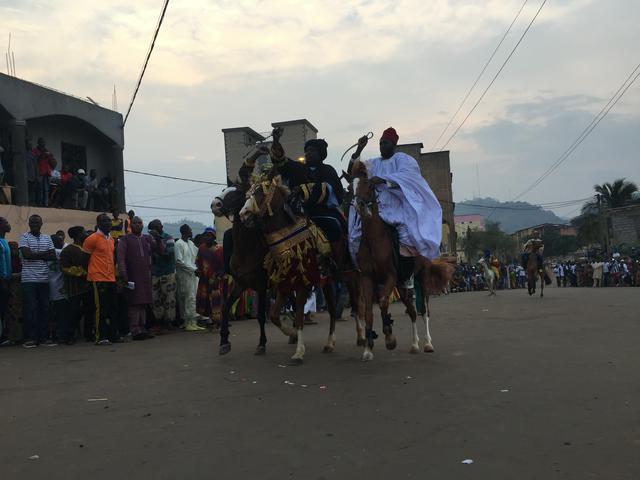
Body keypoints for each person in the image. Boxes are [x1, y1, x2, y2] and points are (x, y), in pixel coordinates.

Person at [348, 127, 442, 278]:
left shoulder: (403, 159)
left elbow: (409, 178)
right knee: (355, 233)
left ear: (394, 145)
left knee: (408, 235)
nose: (382, 146)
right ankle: (359, 270)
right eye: (380, 143)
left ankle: (407, 275)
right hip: (375, 205)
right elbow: (353, 172)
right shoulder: (373, 162)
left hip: (397, 204)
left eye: (385, 143)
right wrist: (359, 149)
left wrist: (384, 179)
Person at [18, 215, 56, 347]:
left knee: (44, 309)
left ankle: (43, 338)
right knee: (30, 309)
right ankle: (30, 338)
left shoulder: (47, 238)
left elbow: (52, 257)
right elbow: (26, 255)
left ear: (41, 224)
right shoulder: (24, 237)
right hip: (29, 279)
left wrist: (35, 255)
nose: (34, 224)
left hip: (44, 279)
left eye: (37, 222)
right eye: (32, 222)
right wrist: (43, 255)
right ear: (29, 224)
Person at [83, 213, 121, 345]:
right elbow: (85, 260)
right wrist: (90, 275)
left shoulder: (111, 239)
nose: (108, 223)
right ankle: (101, 336)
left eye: (109, 221)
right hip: (97, 278)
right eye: (104, 221)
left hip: (110, 278)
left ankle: (113, 335)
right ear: (98, 224)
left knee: (113, 308)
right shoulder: (92, 239)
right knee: (101, 309)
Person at [117, 216, 156, 340]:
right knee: (134, 303)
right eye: (135, 223)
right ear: (131, 225)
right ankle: (135, 329)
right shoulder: (125, 239)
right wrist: (123, 273)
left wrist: (158, 239)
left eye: (140, 223)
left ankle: (143, 328)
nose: (138, 225)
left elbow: (160, 250)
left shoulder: (146, 238)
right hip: (132, 276)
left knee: (144, 303)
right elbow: (121, 257)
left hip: (146, 276)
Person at [59, 226, 91, 343]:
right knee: (74, 311)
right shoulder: (68, 250)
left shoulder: (87, 248)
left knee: (89, 310)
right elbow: (64, 267)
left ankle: (89, 334)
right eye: (83, 232)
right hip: (74, 287)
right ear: (78, 235)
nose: (86, 234)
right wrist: (82, 272)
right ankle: (69, 336)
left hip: (88, 286)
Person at [175, 224, 205, 332]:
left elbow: (197, 253)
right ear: (185, 231)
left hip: (193, 275)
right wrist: (193, 269)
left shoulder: (190, 243)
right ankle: (187, 322)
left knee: (193, 298)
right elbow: (179, 261)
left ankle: (193, 322)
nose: (192, 232)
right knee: (187, 298)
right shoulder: (178, 244)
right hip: (184, 275)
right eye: (190, 230)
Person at [148, 219, 177, 330]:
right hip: (155, 273)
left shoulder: (168, 238)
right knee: (155, 298)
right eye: (152, 228)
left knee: (169, 298)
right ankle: (158, 320)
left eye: (156, 227)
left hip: (168, 272)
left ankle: (168, 321)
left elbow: (169, 255)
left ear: (161, 226)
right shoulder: (149, 239)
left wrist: (158, 244)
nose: (154, 230)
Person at [196, 227, 225, 327]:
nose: (206, 237)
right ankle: (209, 319)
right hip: (204, 277)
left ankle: (218, 320)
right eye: (205, 235)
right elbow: (198, 261)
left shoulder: (219, 249)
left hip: (215, 278)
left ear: (213, 237)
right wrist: (198, 271)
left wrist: (218, 278)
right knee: (205, 300)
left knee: (215, 299)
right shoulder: (201, 248)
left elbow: (222, 266)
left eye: (209, 235)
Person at [48, 234, 69, 342]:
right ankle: (61, 334)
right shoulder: (60, 253)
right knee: (62, 314)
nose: (62, 243)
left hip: (49, 287)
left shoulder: (46, 253)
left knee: (51, 314)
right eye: (60, 241)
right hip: (60, 289)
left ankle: (52, 335)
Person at [0, 218, 11, 343]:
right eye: (6, 223)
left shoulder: (4, 241)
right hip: (1, 281)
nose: (8, 225)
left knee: (3, 310)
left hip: (6, 280)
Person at [24, 139, 39, 205]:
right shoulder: (23, 153)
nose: (30, 145)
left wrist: (37, 176)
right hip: (25, 176)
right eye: (28, 144)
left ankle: (32, 203)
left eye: (30, 144)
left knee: (32, 191)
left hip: (32, 176)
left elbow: (36, 166)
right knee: (26, 191)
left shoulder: (33, 155)